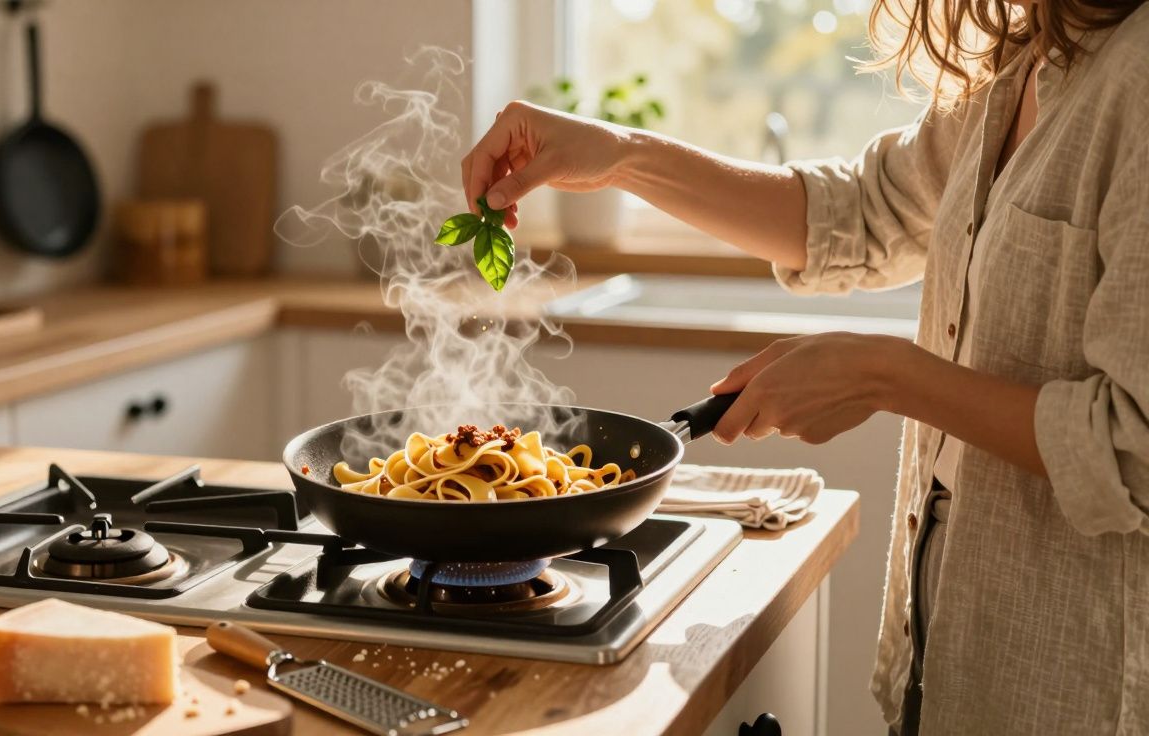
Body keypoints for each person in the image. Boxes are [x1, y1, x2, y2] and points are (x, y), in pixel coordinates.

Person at [461, 0, 1149, 733]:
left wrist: (885, 375)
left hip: (1079, 684)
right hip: (951, 645)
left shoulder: (1137, 77)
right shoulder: (1034, 51)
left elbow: (1134, 445)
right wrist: (623, 155)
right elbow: (858, 210)